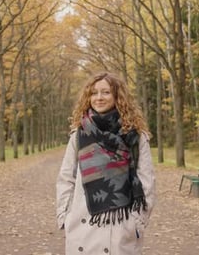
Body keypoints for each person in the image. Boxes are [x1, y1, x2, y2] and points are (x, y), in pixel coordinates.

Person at [56, 72, 156, 255]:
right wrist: (65, 216)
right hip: (82, 223)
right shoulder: (79, 134)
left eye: (106, 92)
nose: (99, 98)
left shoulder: (135, 136)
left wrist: (137, 222)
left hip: (120, 226)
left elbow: (146, 181)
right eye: (94, 93)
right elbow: (66, 177)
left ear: (117, 96)